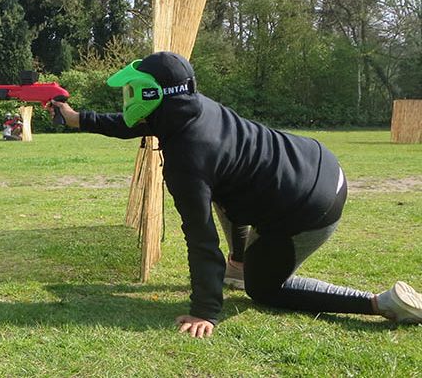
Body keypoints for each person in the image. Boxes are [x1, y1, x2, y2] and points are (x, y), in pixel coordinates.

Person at [49, 51, 421, 338]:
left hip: (311, 205)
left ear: (152, 94)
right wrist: (78, 118)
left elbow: (201, 238)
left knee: (265, 290)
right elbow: (143, 121)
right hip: (316, 161)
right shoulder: (192, 108)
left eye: (133, 90)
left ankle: (381, 303)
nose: (128, 97)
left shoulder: (187, 159)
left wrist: (205, 311)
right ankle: (240, 266)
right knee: (226, 191)